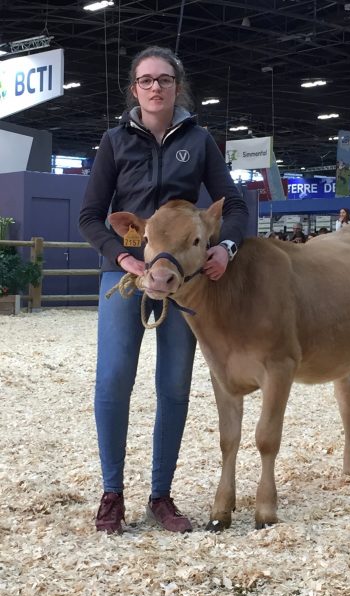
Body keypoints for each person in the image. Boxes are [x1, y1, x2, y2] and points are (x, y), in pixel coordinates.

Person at [79, 45, 248, 535]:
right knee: (113, 379)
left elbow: (232, 204)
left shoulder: (200, 140)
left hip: (185, 281)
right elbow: (91, 216)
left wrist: (227, 247)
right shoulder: (114, 141)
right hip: (127, 275)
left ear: (178, 86)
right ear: (134, 89)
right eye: (147, 80)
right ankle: (112, 494)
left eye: (165, 79)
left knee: (174, 385)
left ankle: (161, 496)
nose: (156, 87)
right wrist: (124, 257)